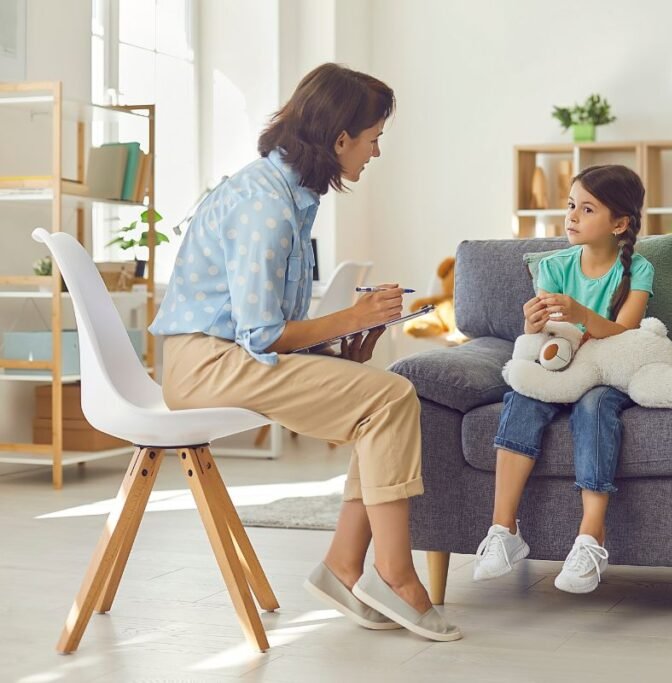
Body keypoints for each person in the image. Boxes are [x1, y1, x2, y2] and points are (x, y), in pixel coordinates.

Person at [151, 63, 460, 642]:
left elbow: (270, 327)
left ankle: (346, 568)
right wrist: (353, 317)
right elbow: (263, 334)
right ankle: (392, 576)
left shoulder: (289, 196)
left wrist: (344, 343)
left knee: (381, 401)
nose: (374, 153)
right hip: (205, 366)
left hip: (225, 357)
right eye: (373, 140)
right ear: (341, 139)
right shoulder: (264, 206)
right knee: (392, 396)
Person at [473, 164, 654, 594]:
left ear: (620, 223)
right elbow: (546, 340)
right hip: (561, 367)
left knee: (594, 407)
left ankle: (590, 538)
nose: (572, 216)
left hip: (607, 374)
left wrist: (583, 315)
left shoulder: (639, 269)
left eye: (587, 208)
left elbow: (626, 332)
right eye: (571, 205)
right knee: (522, 395)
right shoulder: (553, 267)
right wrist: (532, 325)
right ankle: (503, 530)